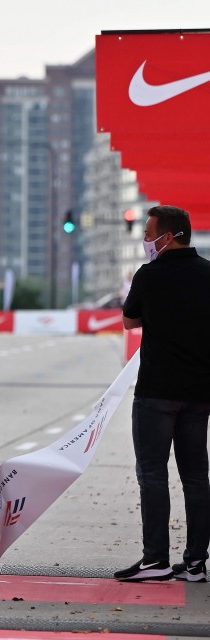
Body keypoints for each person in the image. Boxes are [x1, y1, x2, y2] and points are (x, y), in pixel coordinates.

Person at [115, 205, 210, 583]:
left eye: (149, 233)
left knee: (153, 474)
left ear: (167, 237)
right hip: (200, 393)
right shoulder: (208, 274)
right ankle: (196, 562)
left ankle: (156, 560)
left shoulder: (150, 275)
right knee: (197, 477)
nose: (145, 241)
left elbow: (129, 319)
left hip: (157, 393)